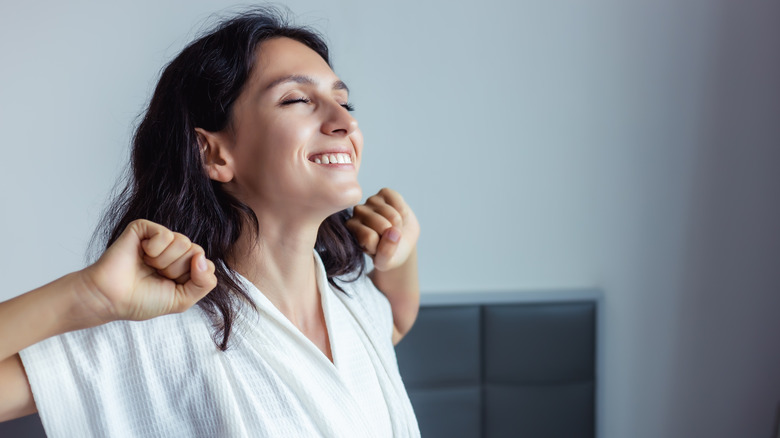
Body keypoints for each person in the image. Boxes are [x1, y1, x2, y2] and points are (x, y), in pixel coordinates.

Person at [0, 7, 421, 437]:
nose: (346, 122)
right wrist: (87, 294)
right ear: (213, 153)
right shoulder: (155, 334)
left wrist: (400, 252)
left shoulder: (351, 305)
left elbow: (398, 319)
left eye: (344, 101)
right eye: (297, 100)